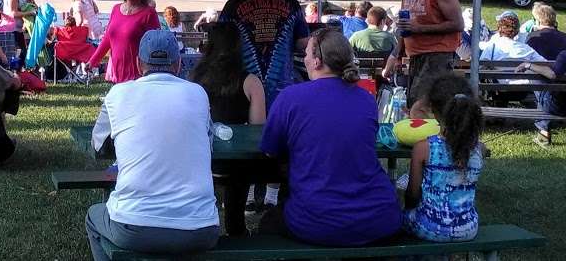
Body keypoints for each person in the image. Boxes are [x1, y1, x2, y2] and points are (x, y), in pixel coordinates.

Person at [259, 28, 401, 245]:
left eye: (306, 53)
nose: (304, 58)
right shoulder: (365, 99)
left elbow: (270, 150)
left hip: (316, 219)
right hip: (379, 215)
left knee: (267, 223)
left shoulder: (290, 97)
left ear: (316, 61)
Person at [86, 30, 219, 261]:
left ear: (138, 64)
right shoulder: (198, 94)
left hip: (134, 225)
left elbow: (97, 145)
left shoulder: (118, 93)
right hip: (201, 228)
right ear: (178, 65)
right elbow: (208, 144)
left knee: (93, 217)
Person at [190, 22, 266, 237]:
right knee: (244, 172)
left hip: (200, 158)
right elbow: (258, 129)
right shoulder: (251, 82)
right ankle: (236, 228)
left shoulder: (194, 80)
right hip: (238, 163)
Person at [219, 0, 309, 107]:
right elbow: (303, 42)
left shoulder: (232, 6)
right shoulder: (291, 2)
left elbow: (220, 44)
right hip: (283, 91)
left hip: (244, 91)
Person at [402, 74, 484, 241]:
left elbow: (412, 195)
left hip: (428, 227)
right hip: (468, 229)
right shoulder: (478, 149)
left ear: (433, 109)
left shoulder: (423, 148)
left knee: (399, 217)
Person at [383, 0, 465, 107]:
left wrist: (420, 29)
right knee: (413, 103)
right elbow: (406, 27)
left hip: (438, 55)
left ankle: (434, 134)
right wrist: (396, 55)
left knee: (422, 107)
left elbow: (458, 24)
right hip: (415, 55)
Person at [88, 0, 160, 84]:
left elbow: (156, 46)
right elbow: (107, 39)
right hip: (117, 73)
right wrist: (92, 61)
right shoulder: (115, 9)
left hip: (139, 77)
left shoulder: (149, 13)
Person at [515, 49, 566, 147]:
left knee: (534, 76)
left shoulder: (565, 55)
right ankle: (542, 137)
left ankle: (543, 138)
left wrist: (528, 65)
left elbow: (552, 75)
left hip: (558, 108)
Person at [478, 12, 543, 62]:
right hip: (524, 78)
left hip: (499, 79)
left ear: (499, 29)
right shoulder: (527, 49)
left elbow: (480, 68)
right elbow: (546, 63)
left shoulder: (491, 48)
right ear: (517, 30)